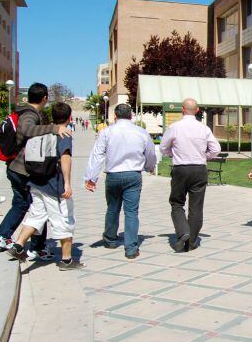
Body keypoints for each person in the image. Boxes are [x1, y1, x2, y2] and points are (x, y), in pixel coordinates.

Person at [0, 83, 72, 260]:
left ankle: (7, 237)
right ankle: (33, 246)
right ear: (44, 98)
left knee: (26, 204)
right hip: (23, 170)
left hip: (16, 168)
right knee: (38, 207)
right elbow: (28, 130)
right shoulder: (29, 114)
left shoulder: (24, 111)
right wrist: (54, 128)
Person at [7, 103, 85, 270]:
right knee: (64, 219)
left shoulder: (43, 130)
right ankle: (66, 260)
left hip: (36, 182)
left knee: (36, 216)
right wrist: (67, 183)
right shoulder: (64, 134)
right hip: (52, 186)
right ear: (69, 117)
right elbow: (65, 158)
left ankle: (18, 245)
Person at [85, 104, 156, 259]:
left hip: (113, 175)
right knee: (131, 211)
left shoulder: (106, 132)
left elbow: (97, 155)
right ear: (131, 116)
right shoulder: (141, 132)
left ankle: (110, 239)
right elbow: (150, 152)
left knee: (112, 208)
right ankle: (131, 248)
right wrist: (150, 167)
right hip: (133, 175)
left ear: (115, 117)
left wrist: (91, 177)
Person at [160, 98, 220, 252]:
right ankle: (191, 242)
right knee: (196, 206)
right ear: (197, 110)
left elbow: (163, 147)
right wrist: (204, 156)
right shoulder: (204, 128)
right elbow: (215, 149)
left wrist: (171, 154)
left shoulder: (175, 127)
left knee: (177, 202)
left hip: (181, 168)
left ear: (182, 110)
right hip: (199, 168)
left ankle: (183, 231)